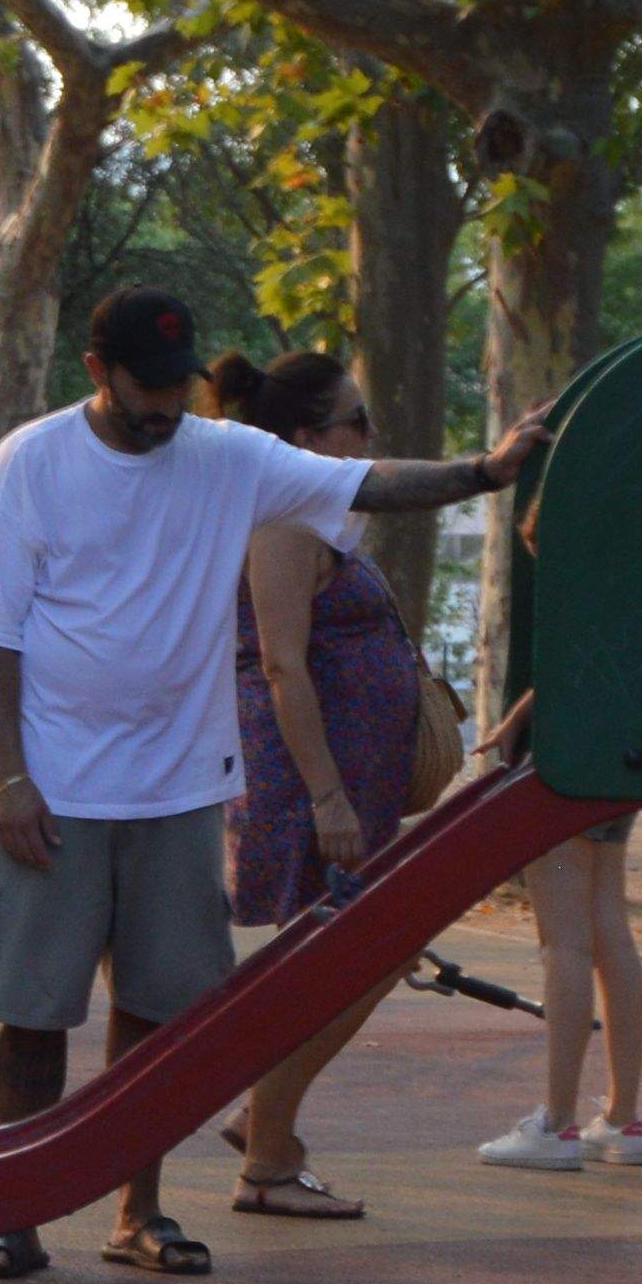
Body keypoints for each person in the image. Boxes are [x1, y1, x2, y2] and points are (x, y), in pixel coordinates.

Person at [0, 288, 548, 1282]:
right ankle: (13, 1213)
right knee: (34, 1008)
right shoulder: (36, 461)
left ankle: (135, 1214)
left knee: (158, 1011)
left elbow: (363, 480)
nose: (166, 407)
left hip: (179, 784)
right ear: (99, 373)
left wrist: (483, 472)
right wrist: (10, 776)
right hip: (53, 786)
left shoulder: (222, 455)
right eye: (147, 387)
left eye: (179, 388)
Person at [213, 350, 433, 1227]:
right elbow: (279, 662)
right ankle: (267, 1145)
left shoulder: (319, 520)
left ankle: (266, 1129)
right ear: (307, 440)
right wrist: (329, 798)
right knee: (360, 950)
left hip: (343, 783)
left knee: (351, 953)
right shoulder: (283, 522)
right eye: (355, 421)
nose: (370, 437)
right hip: (309, 784)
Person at [481, 815, 642, 1173]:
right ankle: (623, 1121)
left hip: (564, 778)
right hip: (617, 777)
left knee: (564, 943)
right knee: (612, 934)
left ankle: (557, 1125)